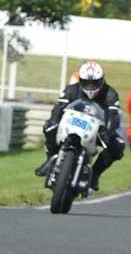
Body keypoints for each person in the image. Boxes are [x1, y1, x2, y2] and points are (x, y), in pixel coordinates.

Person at [34, 61, 124, 191]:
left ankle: (95, 174)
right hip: (72, 122)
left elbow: (113, 116)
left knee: (118, 146)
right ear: (80, 80)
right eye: (87, 82)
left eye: (94, 83)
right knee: (49, 128)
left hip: (98, 128)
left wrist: (107, 132)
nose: (90, 86)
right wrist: (53, 121)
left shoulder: (110, 93)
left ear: (102, 80)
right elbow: (58, 108)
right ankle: (49, 160)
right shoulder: (71, 89)